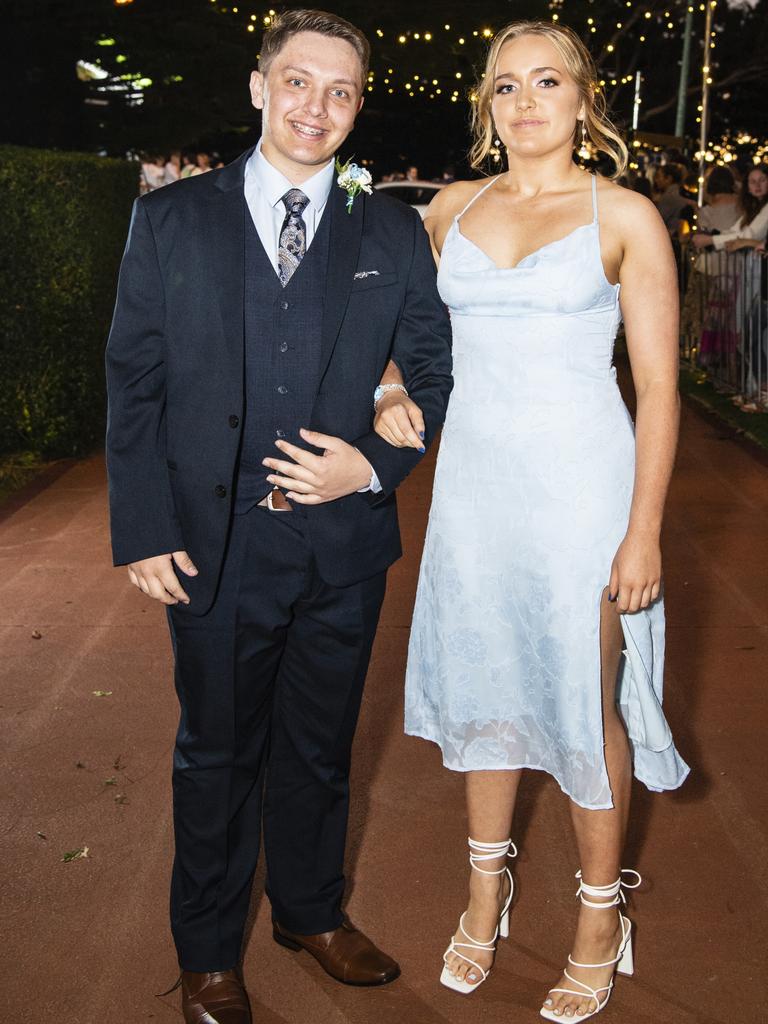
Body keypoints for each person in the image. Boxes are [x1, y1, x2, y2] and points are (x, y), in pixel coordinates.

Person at [105, 10, 452, 1024]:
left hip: (344, 548)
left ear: (357, 106)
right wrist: (143, 524)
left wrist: (376, 461)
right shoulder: (172, 219)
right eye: (298, 82)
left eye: (340, 90)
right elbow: (136, 381)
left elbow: (431, 367)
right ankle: (209, 950)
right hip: (214, 544)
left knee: (320, 743)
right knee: (216, 749)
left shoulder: (388, 225)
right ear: (261, 88)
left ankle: (309, 911)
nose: (317, 107)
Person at [373, 20, 688, 1022]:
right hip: (473, 493)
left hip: (582, 495)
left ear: (584, 99)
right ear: (487, 106)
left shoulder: (626, 214)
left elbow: (658, 388)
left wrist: (642, 531)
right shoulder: (449, 208)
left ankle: (601, 917)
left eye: (547, 81)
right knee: (483, 689)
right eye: (506, 85)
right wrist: (386, 385)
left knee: (579, 700)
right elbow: (385, 323)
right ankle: (484, 893)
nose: (526, 101)